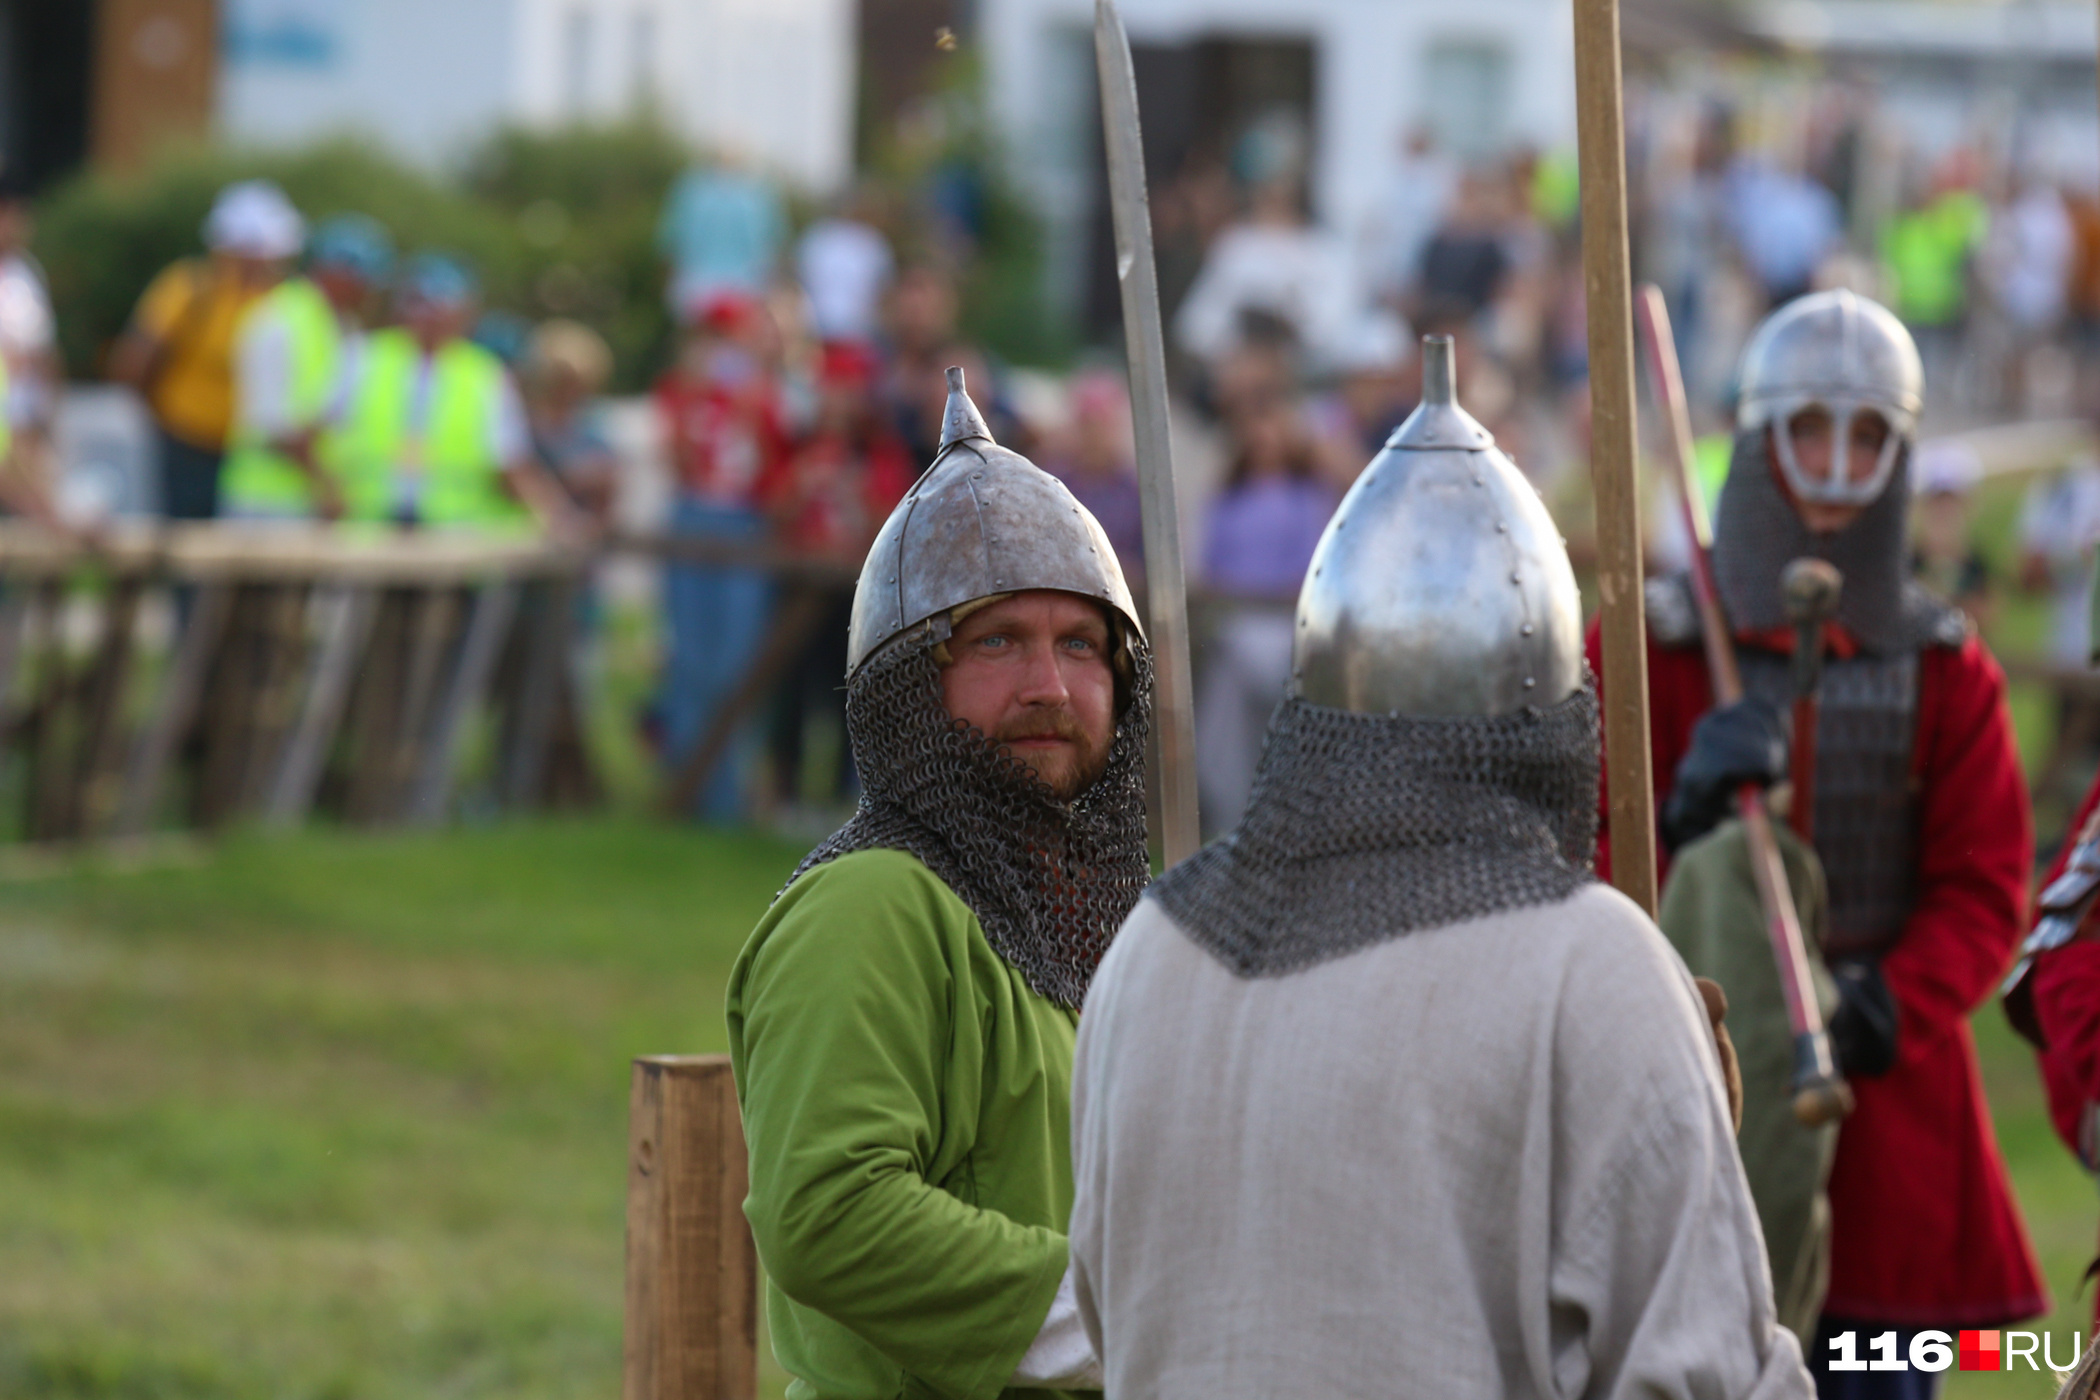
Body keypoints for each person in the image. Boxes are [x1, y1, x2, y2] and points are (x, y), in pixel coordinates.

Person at [1068, 337, 1809, 1400]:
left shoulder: (1147, 949)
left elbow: (1109, 1316)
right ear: (1551, 714)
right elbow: (1711, 1375)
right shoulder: (1591, 967)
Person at [1589, 290, 2045, 1398]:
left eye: (1868, 435)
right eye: (1810, 429)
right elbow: (1574, 854)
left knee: (1877, 1376)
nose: (1838, 465)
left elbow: (1985, 886)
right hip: (1695, 1079)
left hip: (1885, 1103)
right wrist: (1688, 805)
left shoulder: (1945, 665)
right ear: (1760, 435)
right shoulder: (1652, 648)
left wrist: (1882, 1006)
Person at [726, 368, 1151, 1397]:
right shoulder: (871, 904)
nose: (1049, 685)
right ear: (911, 685)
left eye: (1081, 644)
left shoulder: (1126, 918)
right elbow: (830, 1210)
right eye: (998, 639)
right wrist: (1125, 1318)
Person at [651, 288, 791, 822]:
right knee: (688, 658)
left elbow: (774, 466)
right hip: (693, 515)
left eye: (732, 337)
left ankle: (727, 797)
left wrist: (753, 400)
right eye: (714, 337)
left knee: (734, 662)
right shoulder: (680, 391)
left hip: (745, 523)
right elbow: (677, 460)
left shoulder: (769, 393)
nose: (723, 350)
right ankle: (685, 786)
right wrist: (692, 397)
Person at [762, 339, 913, 813]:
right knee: (792, 691)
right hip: (798, 587)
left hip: (856, 593)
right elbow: (773, 510)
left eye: (847, 390)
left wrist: (853, 494)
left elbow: (895, 522)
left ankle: (845, 799)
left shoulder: (880, 453)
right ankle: (786, 793)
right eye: (830, 389)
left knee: (852, 692)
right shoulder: (798, 448)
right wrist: (806, 481)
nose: (837, 401)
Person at [334, 253, 575, 533]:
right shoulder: (362, 356)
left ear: (465, 311)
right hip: (364, 525)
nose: (430, 315)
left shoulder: (484, 374)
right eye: (421, 303)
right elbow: (321, 432)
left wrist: (555, 515)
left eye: (442, 305)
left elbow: (511, 463)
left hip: (451, 533)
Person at [111, 180, 304, 520]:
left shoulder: (277, 301)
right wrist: (163, 418)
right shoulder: (189, 289)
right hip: (187, 443)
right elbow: (133, 362)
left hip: (247, 456)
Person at [1194, 391, 1339, 831]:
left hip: (1288, 631)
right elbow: (1208, 573)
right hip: (1234, 631)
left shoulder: (1307, 500)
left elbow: (1312, 575)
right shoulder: (1227, 502)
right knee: (1229, 691)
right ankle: (1231, 810)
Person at [221, 213, 393, 521]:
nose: (368, 290)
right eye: (363, 279)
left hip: (314, 506)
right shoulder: (277, 321)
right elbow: (271, 427)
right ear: (336, 273)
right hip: (266, 506)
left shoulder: (346, 327)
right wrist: (326, 485)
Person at [1041, 369, 1145, 590]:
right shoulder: (1052, 485)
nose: (1095, 435)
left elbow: (1149, 561)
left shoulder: (1137, 491)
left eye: (1103, 425)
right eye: (1088, 424)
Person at [520, 318, 619, 530]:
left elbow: (607, 487)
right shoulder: (524, 425)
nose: (569, 391)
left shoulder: (592, 425)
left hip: (581, 537)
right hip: (534, 533)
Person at [658, 155, 784, 315]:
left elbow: (669, 243)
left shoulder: (689, 189)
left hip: (696, 288)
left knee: (697, 336)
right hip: (746, 288)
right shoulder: (760, 193)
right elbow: (773, 244)